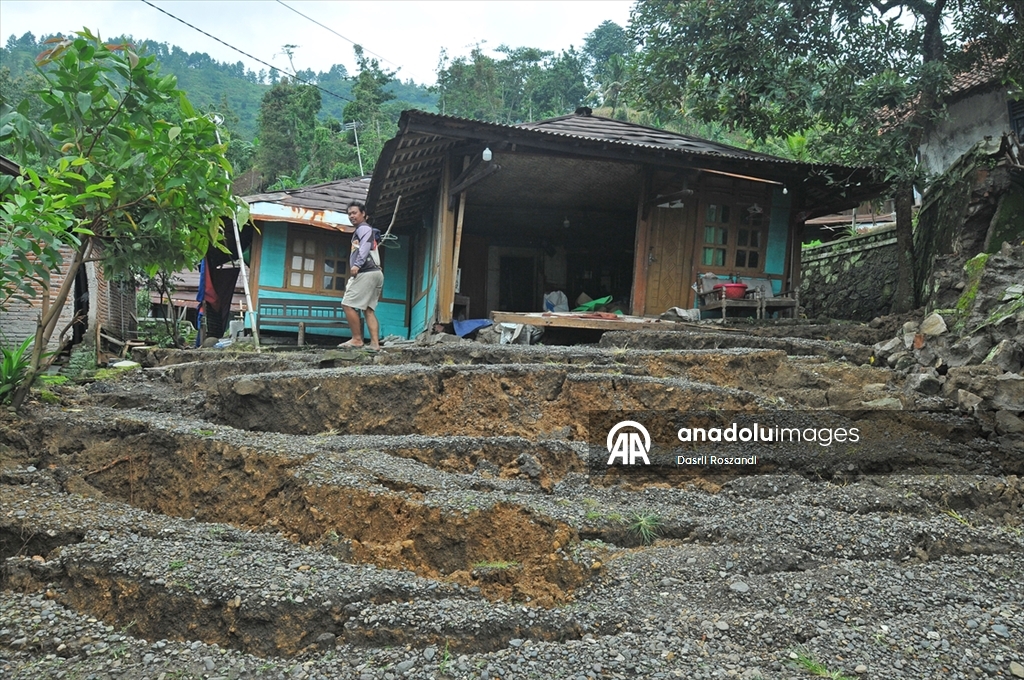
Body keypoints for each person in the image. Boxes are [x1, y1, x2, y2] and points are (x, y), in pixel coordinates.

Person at [339, 202, 384, 350]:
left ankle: (357, 339)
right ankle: (375, 344)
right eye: (349, 214)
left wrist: (357, 264)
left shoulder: (363, 228)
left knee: (347, 304)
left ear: (363, 214)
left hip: (366, 272)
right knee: (368, 310)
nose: (351, 216)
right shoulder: (368, 231)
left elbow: (364, 246)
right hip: (377, 273)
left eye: (354, 212)